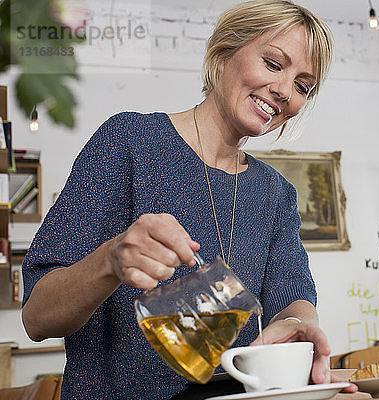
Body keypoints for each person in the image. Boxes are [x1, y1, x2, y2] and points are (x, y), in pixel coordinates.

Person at [21, 1, 354, 398]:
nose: (284, 91)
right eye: (272, 63)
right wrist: (110, 261)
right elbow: (37, 317)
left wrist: (301, 327)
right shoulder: (130, 142)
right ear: (225, 51)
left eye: (303, 86)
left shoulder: (275, 193)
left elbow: (293, 296)